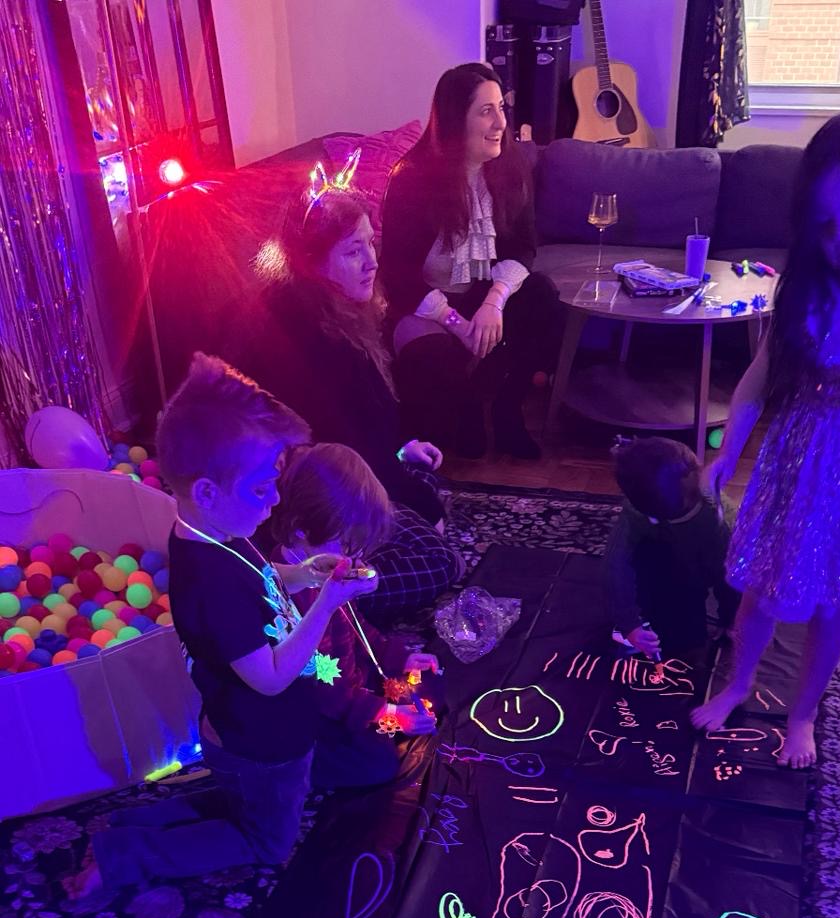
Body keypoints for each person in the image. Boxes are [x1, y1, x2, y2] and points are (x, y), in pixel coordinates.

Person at [67, 354, 377, 898]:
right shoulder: (210, 581)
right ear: (208, 492)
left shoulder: (215, 532)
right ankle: (126, 856)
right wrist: (327, 602)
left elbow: (259, 573)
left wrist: (302, 573)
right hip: (259, 739)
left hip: (249, 740)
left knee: (241, 798)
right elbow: (273, 676)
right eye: (261, 489)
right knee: (266, 840)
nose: (276, 500)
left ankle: (130, 825)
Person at [691, 102, 840, 769]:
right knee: (764, 588)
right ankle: (738, 685)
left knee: (834, 601)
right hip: (800, 458)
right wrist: (724, 451)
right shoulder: (806, 291)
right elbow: (761, 375)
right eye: (827, 221)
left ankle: (804, 714)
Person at [227, 181, 465, 619]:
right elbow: (346, 453)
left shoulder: (331, 312)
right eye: (354, 250)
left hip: (339, 468)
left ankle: (343, 565)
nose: (372, 261)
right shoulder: (311, 335)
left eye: (370, 244)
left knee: (427, 484)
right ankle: (319, 594)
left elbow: (365, 426)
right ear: (314, 262)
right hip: (307, 493)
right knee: (438, 560)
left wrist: (400, 450)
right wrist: (417, 501)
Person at [380, 62, 562, 461]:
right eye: (486, 111)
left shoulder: (512, 166)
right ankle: (467, 409)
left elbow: (524, 247)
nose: (500, 122)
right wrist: (456, 324)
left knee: (542, 297)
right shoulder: (411, 179)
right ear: (454, 119)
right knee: (459, 439)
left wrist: (494, 302)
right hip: (425, 303)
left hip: (481, 294)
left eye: (501, 108)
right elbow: (397, 275)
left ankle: (506, 409)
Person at [261, 442, 439, 791]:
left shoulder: (327, 567)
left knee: (428, 684)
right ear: (300, 529)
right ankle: (301, 773)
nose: (351, 557)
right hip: (320, 709)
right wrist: (388, 715)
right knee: (376, 762)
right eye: (344, 545)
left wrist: (398, 655)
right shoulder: (293, 598)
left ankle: (386, 710)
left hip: (348, 683)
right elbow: (327, 694)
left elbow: (355, 628)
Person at [602, 436, 738, 661]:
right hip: (665, 562)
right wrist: (629, 624)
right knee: (665, 627)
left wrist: (730, 617)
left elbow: (729, 576)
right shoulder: (637, 512)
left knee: (687, 641)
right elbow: (616, 568)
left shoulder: (719, 522)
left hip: (700, 569)